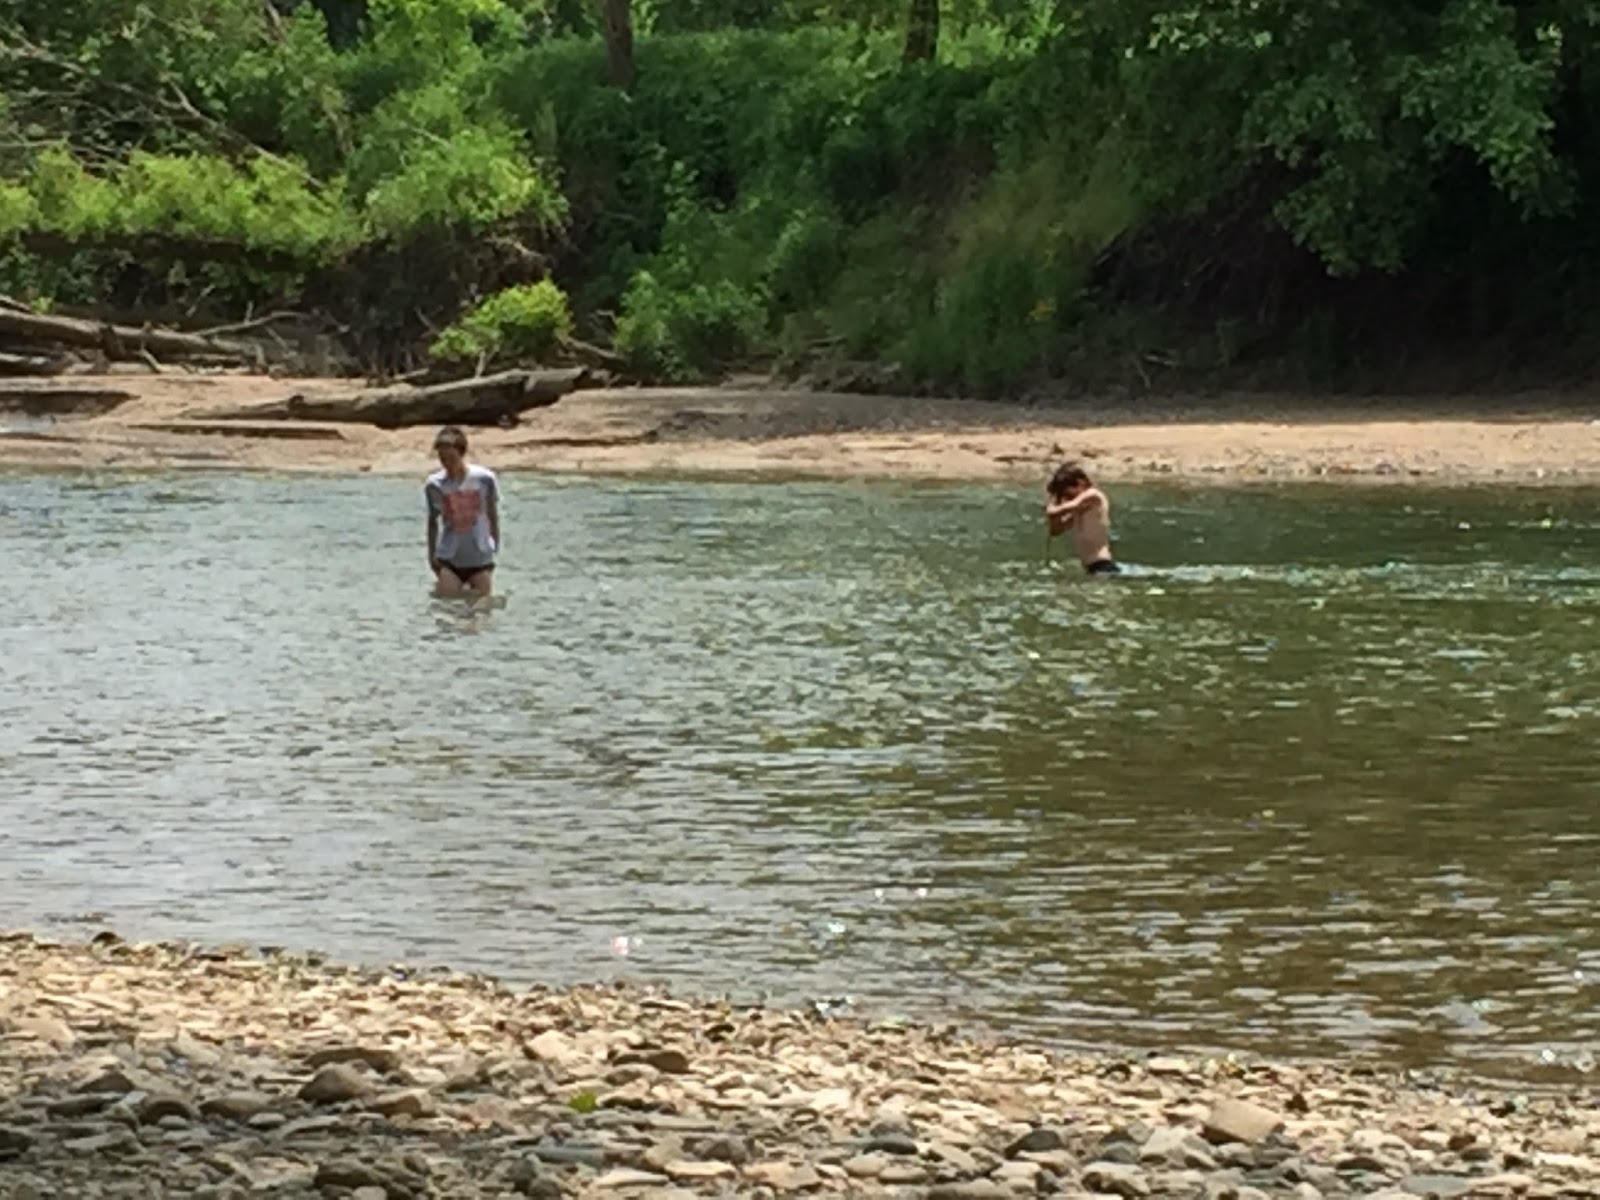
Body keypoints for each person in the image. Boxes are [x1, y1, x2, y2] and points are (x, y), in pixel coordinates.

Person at [425, 426, 500, 597]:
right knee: (446, 611)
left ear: (461, 453)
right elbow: (432, 522)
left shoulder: (485, 479)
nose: (447, 463)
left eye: (451, 458)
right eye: (442, 459)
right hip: (449, 558)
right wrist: (431, 556)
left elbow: (492, 513)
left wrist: (494, 544)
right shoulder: (434, 484)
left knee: (481, 613)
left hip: (480, 557)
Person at [1043, 462, 1120, 576]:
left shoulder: (1093, 496)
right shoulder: (1081, 509)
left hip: (1102, 564)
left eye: (1068, 494)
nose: (1068, 498)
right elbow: (1056, 530)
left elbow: (1056, 511)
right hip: (1091, 567)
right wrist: (1056, 507)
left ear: (1080, 483)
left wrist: (1052, 505)